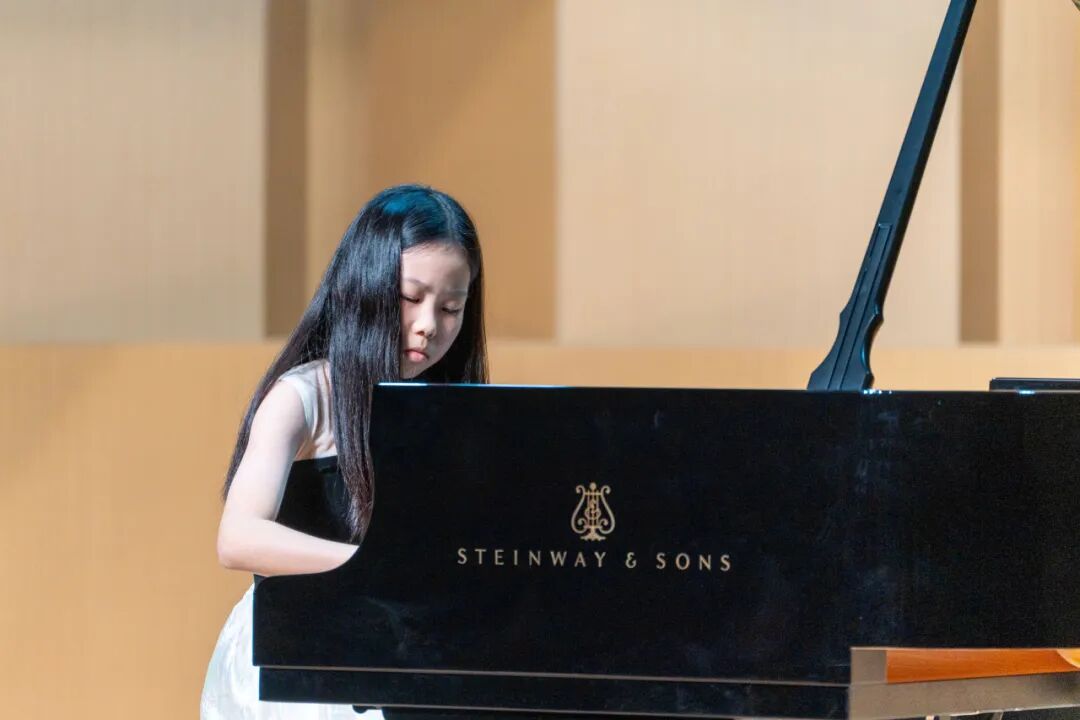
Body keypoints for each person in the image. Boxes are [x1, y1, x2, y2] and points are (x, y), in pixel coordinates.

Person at [200, 184, 488, 719]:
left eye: (451, 307)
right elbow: (237, 538)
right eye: (411, 298)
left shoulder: (447, 409)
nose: (429, 324)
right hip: (295, 656)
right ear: (364, 285)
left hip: (393, 653)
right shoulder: (301, 397)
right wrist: (372, 567)